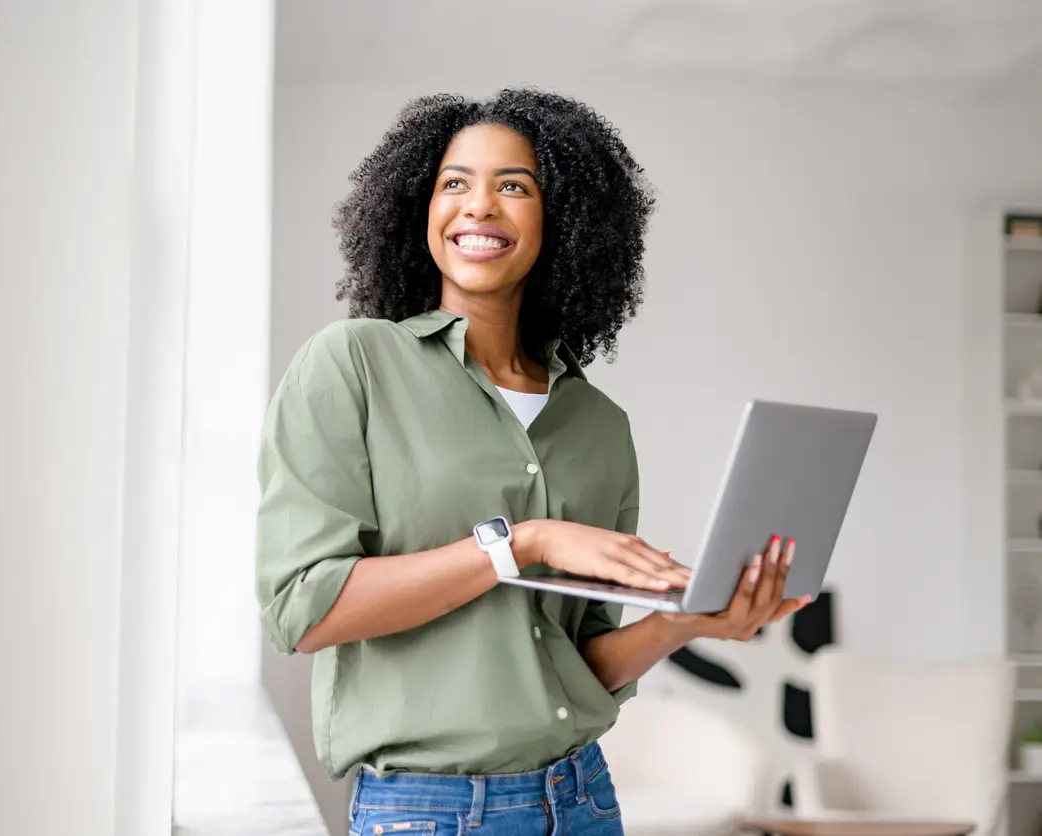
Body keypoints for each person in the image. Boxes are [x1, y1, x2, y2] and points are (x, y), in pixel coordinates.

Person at [255, 88, 808, 835]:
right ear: (417, 207)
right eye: (455, 183)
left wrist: (689, 622)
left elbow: (580, 666)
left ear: (566, 220)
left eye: (513, 186)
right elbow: (303, 609)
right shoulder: (352, 365)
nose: (479, 206)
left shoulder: (598, 424)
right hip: (433, 812)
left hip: (582, 800)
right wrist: (523, 543)